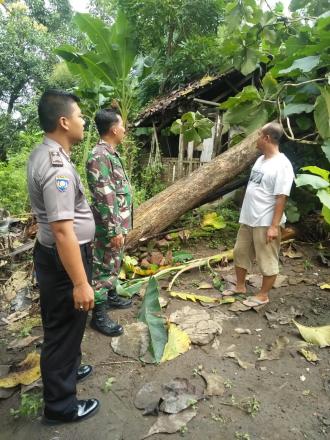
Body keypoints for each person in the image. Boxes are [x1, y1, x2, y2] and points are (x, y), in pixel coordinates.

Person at [27, 90, 99, 424]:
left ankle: (67, 369)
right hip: (64, 259)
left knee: (65, 324)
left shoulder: (44, 152)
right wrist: (81, 282)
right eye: (81, 115)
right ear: (64, 121)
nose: (84, 121)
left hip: (55, 257)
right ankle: (60, 406)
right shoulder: (57, 167)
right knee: (62, 328)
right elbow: (62, 231)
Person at [223, 122, 294, 307]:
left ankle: (263, 295)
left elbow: (281, 197)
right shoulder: (261, 160)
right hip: (249, 218)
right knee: (240, 252)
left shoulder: (282, 165)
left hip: (265, 221)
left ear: (266, 138)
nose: (255, 139)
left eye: (258, 135)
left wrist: (274, 226)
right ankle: (240, 286)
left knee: (267, 259)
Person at [86, 108, 133, 336]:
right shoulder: (99, 156)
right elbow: (105, 196)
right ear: (114, 129)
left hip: (118, 223)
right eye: (122, 125)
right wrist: (114, 229)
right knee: (104, 267)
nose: (124, 129)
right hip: (109, 226)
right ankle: (98, 314)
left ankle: (111, 296)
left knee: (114, 261)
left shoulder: (110, 153)